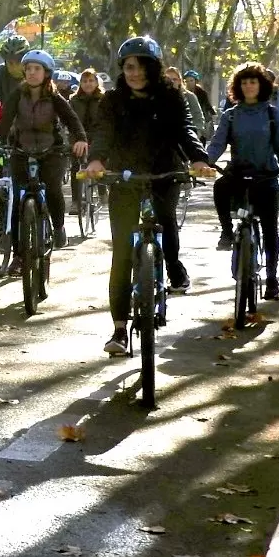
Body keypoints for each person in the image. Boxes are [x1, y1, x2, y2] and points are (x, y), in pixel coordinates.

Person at [84, 35, 210, 355]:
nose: (135, 73)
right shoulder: (112, 100)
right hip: (124, 178)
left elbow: (184, 130)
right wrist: (97, 160)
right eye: (129, 67)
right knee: (122, 255)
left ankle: (172, 268)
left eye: (142, 66)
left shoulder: (172, 97)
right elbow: (103, 133)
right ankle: (119, 330)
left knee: (166, 222)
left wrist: (198, 159)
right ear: (122, 69)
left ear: (154, 68)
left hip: (164, 174)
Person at [208, 62, 279, 300]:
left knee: (270, 229)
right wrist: (204, 161)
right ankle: (227, 232)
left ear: (262, 85)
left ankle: (272, 278)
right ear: (238, 87)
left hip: (266, 175)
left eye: (253, 82)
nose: (248, 86)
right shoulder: (230, 115)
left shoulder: (273, 115)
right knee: (220, 187)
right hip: (238, 174)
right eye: (244, 82)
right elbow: (217, 143)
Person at [0, 49, 87, 273]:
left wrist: (80, 139)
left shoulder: (55, 97)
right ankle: (18, 255)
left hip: (51, 152)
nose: (32, 73)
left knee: (53, 189)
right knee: (17, 203)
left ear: (46, 73)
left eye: (37, 69)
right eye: (28, 69)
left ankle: (59, 227)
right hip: (21, 151)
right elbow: (4, 121)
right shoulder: (17, 95)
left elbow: (71, 120)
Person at [70, 69, 105, 212]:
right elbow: (70, 121)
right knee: (75, 166)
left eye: (91, 80)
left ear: (96, 82)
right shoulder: (74, 100)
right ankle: (76, 201)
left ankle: (102, 192)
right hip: (78, 137)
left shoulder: (103, 99)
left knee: (100, 162)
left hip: (98, 136)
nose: (88, 84)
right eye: (84, 81)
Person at [166, 66, 207, 143]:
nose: (172, 82)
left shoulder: (189, 96)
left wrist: (196, 134)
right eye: (168, 79)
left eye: (174, 79)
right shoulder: (158, 97)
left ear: (179, 81)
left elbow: (198, 117)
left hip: (187, 139)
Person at [183, 70, 216, 139]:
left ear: (196, 81)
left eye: (191, 80)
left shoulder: (201, 93)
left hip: (201, 120)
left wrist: (213, 113)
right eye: (186, 81)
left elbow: (207, 104)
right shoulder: (183, 93)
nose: (189, 83)